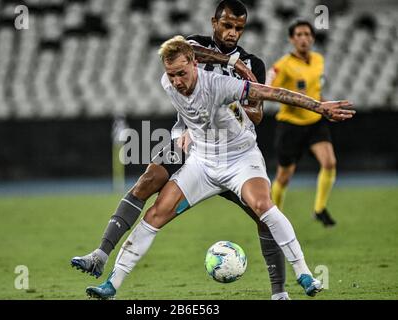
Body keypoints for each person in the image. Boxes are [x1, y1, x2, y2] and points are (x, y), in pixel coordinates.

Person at [84, 36, 354, 300]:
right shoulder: (167, 82)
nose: (177, 81)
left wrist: (319, 107)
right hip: (202, 163)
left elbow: (272, 93)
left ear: (193, 63)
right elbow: (188, 55)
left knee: (263, 207)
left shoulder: (219, 85)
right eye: (171, 74)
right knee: (156, 213)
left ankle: (304, 274)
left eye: (181, 73)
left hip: (240, 159)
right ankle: (112, 284)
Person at [72, 0, 291, 300]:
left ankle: (279, 293)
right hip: (189, 139)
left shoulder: (254, 64)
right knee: (147, 181)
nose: (232, 33)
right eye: (226, 25)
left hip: (232, 151)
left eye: (238, 28)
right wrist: (230, 64)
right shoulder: (194, 46)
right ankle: (100, 254)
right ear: (214, 22)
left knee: (263, 215)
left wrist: (239, 98)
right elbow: (188, 55)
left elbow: (257, 114)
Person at [267, 19, 338, 227]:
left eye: (307, 34)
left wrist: (326, 107)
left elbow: (316, 91)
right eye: (298, 35)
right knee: (283, 177)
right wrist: (294, 98)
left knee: (329, 162)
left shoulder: (318, 60)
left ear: (313, 38)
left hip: (315, 122)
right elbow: (267, 91)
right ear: (291, 39)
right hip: (291, 125)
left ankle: (319, 209)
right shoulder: (282, 66)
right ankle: (274, 219)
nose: (303, 38)